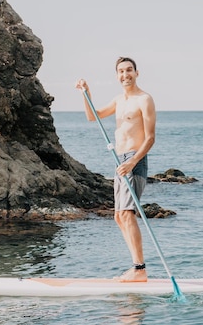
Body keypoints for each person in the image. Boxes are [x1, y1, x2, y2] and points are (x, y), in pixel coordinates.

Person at [75, 57, 156, 282]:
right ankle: (136, 268)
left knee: (127, 214)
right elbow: (92, 116)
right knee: (119, 216)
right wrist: (86, 92)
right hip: (119, 160)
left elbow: (150, 139)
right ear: (117, 75)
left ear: (137, 73)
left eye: (129, 70)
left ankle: (140, 269)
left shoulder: (145, 99)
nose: (125, 74)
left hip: (134, 160)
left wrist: (133, 162)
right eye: (121, 71)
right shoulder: (119, 100)